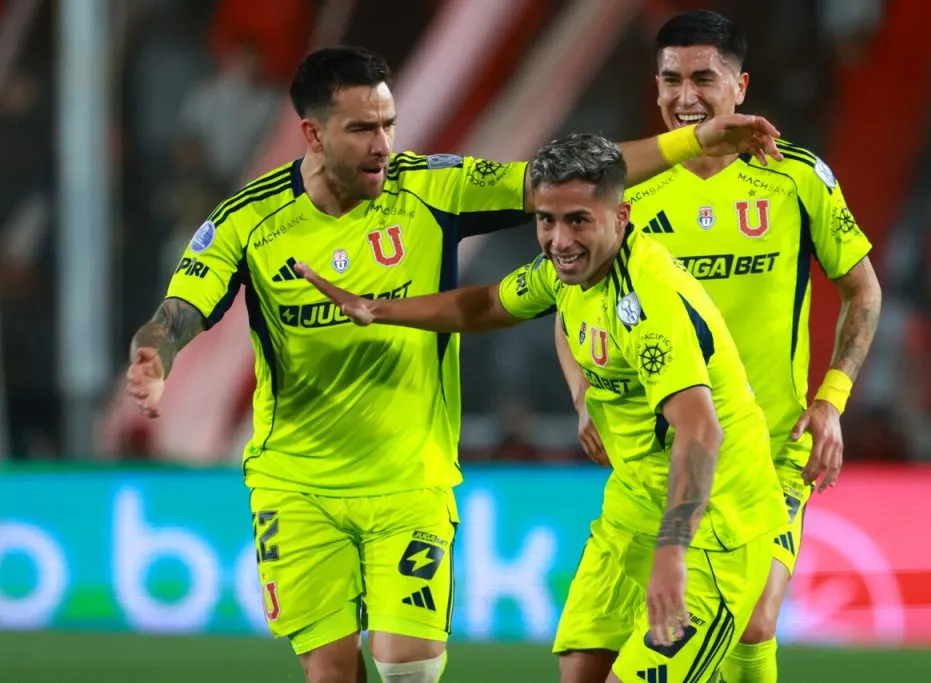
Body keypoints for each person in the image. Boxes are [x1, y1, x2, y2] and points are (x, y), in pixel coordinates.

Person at [124, 46, 784, 683]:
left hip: (411, 477)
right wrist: (157, 351)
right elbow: (185, 303)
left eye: (389, 123)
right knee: (328, 671)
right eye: (363, 128)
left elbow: (556, 184)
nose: (384, 142)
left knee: (409, 667)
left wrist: (695, 142)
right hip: (294, 480)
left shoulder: (432, 187)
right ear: (313, 133)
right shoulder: (250, 218)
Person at [294, 133, 790, 683]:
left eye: (578, 220)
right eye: (547, 220)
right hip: (633, 506)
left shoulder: (647, 302)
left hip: (713, 524)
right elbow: (487, 303)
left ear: (621, 215)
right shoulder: (567, 273)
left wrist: (673, 553)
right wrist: (377, 309)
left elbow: (700, 432)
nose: (559, 240)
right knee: (580, 669)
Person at [552, 11, 883, 683]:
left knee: (755, 621)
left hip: (769, 448)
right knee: (621, 649)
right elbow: (568, 302)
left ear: (740, 85)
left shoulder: (795, 179)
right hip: (661, 458)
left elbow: (864, 292)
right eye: (671, 79)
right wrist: (583, 394)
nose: (686, 96)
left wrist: (832, 400)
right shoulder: (628, 189)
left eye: (704, 78)